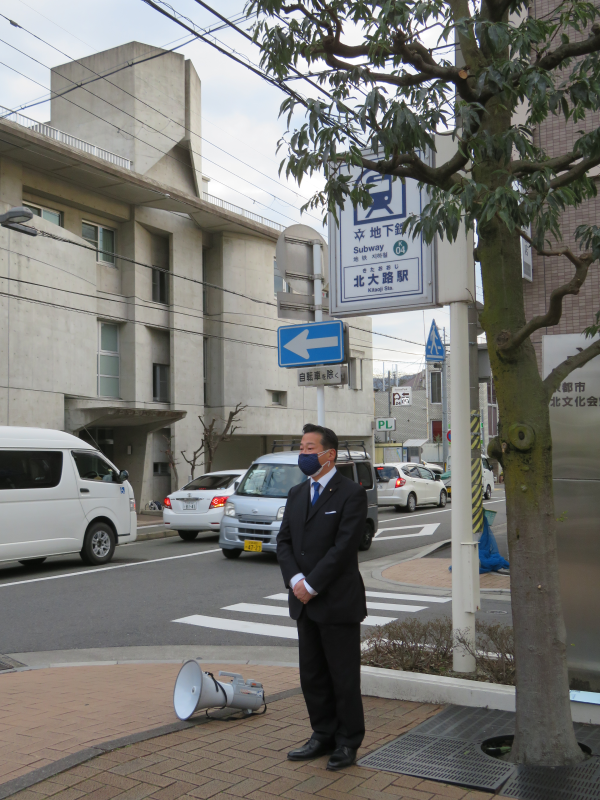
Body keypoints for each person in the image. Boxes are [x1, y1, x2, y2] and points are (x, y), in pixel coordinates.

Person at [276, 423, 368, 771]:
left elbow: (344, 548)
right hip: (303, 602)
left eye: (310, 448)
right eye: (301, 447)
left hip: (336, 601)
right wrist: (296, 580)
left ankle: (348, 741)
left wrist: (312, 584)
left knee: (343, 677)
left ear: (329, 455)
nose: (304, 454)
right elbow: (284, 542)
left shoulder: (351, 494)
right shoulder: (297, 493)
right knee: (312, 675)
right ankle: (322, 734)